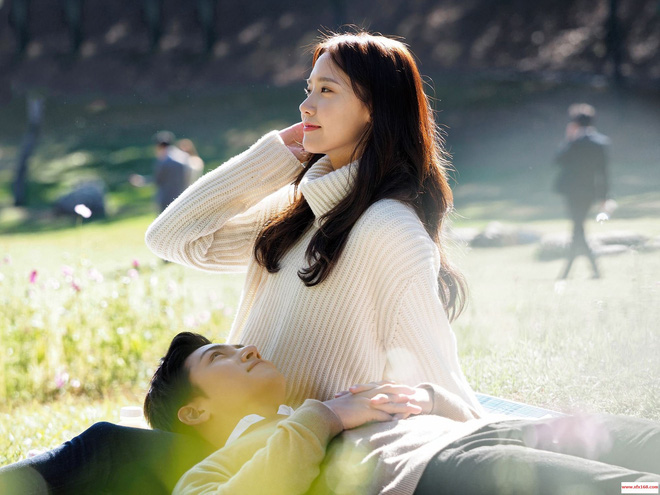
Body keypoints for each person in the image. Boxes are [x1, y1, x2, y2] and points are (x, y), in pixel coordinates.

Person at [145, 31, 482, 414]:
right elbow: (169, 237)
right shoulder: (298, 209)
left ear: (375, 107)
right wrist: (270, 159)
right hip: (243, 439)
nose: (306, 106)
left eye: (326, 90)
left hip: (312, 447)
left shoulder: (389, 229)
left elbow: (441, 384)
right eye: (309, 90)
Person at [4, 332, 658, 494]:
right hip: (436, 470)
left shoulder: (323, 401)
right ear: (196, 411)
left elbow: (463, 411)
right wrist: (322, 418)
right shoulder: (221, 464)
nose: (247, 348)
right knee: (622, 488)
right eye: (222, 356)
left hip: (485, 431)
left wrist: (427, 398)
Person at [554, 103, 610, 279]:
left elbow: (558, 160)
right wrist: (603, 197)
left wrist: (568, 139)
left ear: (575, 123)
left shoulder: (574, 142)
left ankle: (570, 271)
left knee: (577, 228)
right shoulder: (600, 142)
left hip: (571, 192)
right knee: (578, 228)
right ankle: (583, 270)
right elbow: (603, 172)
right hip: (588, 192)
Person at [153, 130, 191, 213]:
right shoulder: (184, 156)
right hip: (182, 196)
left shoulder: (164, 160)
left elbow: (158, 180)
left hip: (166, 198)